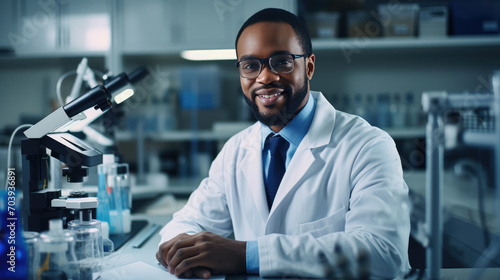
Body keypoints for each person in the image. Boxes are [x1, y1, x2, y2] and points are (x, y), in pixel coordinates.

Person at [156, 8, 410, 279]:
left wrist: (246, 256)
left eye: (281, 61)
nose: (265, 78)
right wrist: (176, 250)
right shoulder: (235, 150)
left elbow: (383, 252)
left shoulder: (367, 146)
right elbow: (186, 222)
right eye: (250, 65)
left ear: (309, 67)